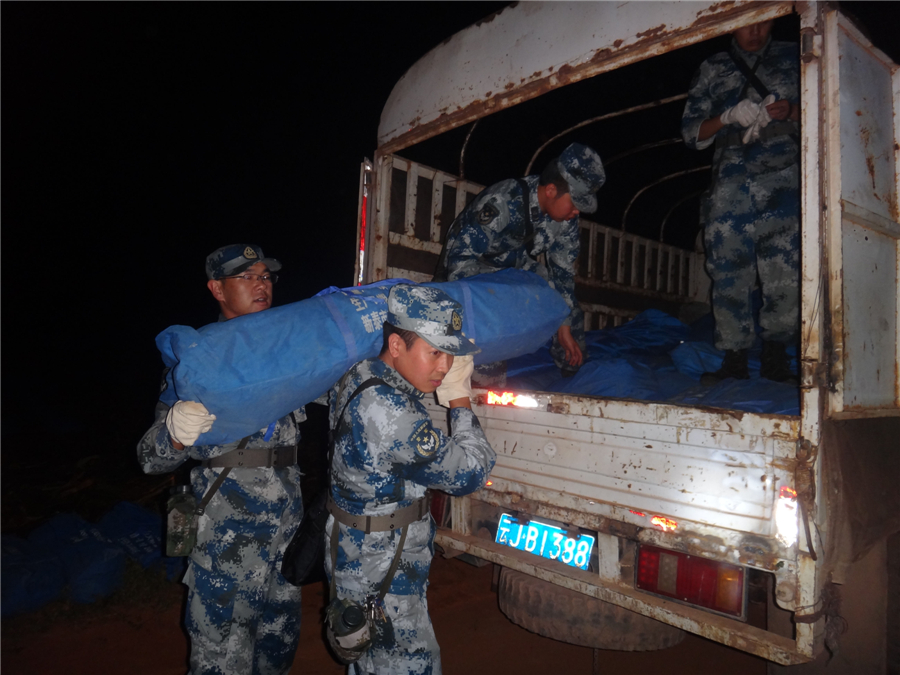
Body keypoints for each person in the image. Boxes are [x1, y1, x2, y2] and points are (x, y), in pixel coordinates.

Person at [138, 243, 305, 675]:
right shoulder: (198, 364)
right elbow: (150, 459)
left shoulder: (291, 355)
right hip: (229, 541)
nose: (261, 284)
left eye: (266, 276)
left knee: (278, 652)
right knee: (223, 659)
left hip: (285, 535)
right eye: (247, 277)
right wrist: (174, 434)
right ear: (217, 288)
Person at [324, 284, 496, 674]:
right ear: (397, 345)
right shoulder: (393, 414)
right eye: (435, 352)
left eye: (450, 353)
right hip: (384, 563)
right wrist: (459, 402)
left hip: (357, 551)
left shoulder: (361, 375)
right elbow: (471, 471)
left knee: (370, 660)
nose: (445, 366)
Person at [681, 19, 800, 385]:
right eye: (748, 24)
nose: (757, 31)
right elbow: (690, 132)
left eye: (765, 22)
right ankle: (733, 359)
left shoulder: (795, 57)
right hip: (729, 189)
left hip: (782, 186)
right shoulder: (714, 68)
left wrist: (791, 112)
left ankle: (776, 355)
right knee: (728, 273)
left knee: (784, 272)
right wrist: (727, 116)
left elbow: (830, 111)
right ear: (731, 25)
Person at [434, 142, 605, 385]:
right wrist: (489, 308)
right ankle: (486, 386)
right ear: (550, 190)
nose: (577, 212)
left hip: (512, 267)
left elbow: (563, 274)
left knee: (567, 308)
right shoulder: (502, 201)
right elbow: (460, 259)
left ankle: (571, 377)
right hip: (469, 272)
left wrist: (563, 323)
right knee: (489, 319)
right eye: (575, 203)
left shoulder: (566, 220)